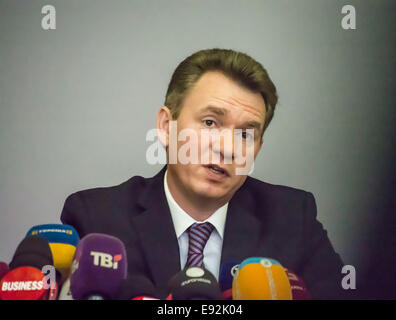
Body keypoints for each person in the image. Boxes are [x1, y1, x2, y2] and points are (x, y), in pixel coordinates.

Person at [61, 48, 346, 299]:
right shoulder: (95, 219)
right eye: (210, 122)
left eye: (246, 134)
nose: (227, 148)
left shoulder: (294, 220)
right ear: (165, 125)